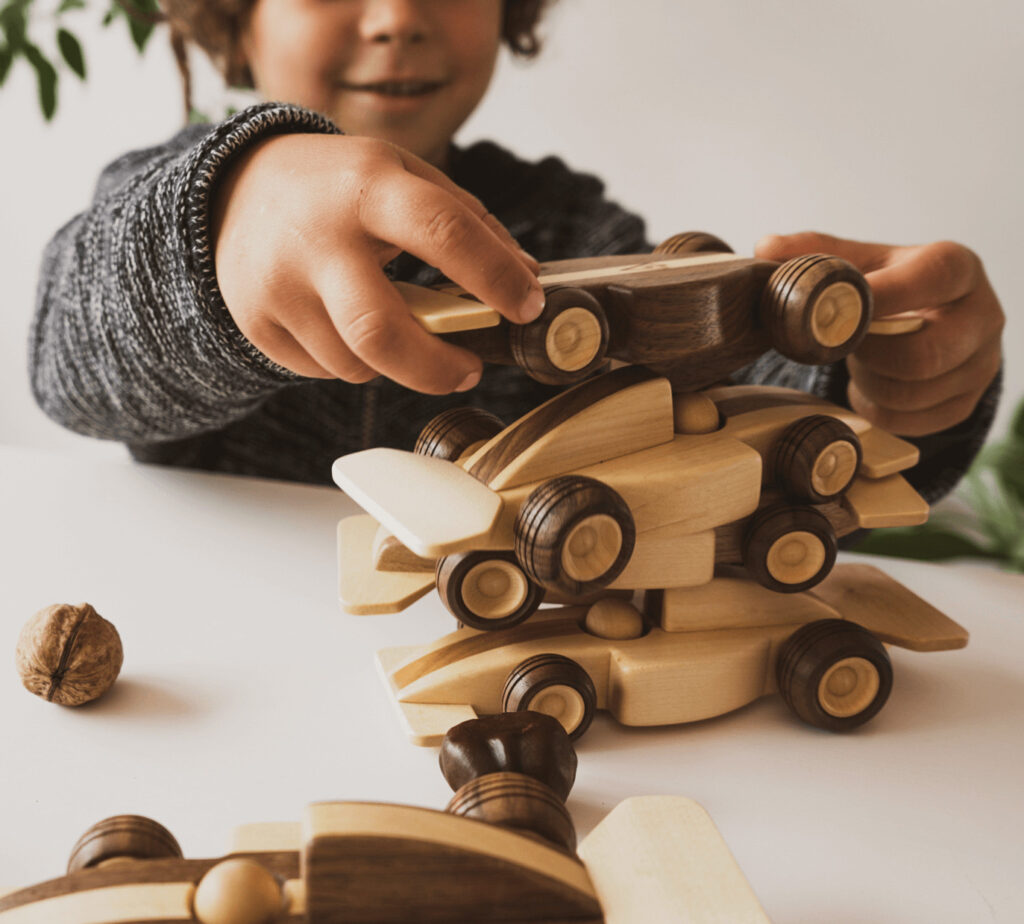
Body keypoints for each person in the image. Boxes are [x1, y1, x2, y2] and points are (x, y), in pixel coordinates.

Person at [30, 0, 1003, 501]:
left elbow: (720, 402)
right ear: (235, 18)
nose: (398, 13)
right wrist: (222, 229)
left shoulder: (569, 231)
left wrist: (872, 388)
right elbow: (70, 365)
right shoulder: (176, 196)